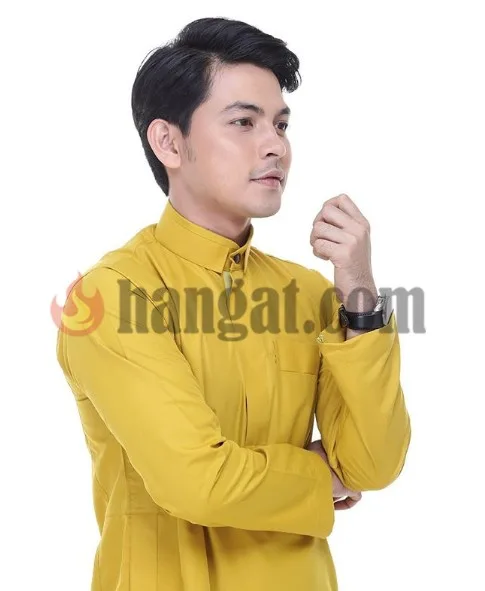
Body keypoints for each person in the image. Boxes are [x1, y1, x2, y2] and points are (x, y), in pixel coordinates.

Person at [55, 16, 411, 591]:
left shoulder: (306, 293)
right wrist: (321, 476)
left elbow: (374, 463)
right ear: (169, 142)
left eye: (281, 124)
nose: (276, 145)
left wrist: (359, 295)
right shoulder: (114, 295)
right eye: (244, 122)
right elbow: (197, 482)